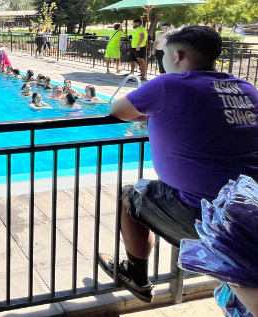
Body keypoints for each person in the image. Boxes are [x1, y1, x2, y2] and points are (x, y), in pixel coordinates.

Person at [99, 25, 258, 304]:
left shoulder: (168, 85)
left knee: (130, 196)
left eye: (163, 54)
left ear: (178, 56)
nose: (160, 60)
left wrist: (154, 115)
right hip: (251, 211)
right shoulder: (246, 88)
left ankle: (136, 276)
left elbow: (117, 111)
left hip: (208, 217)